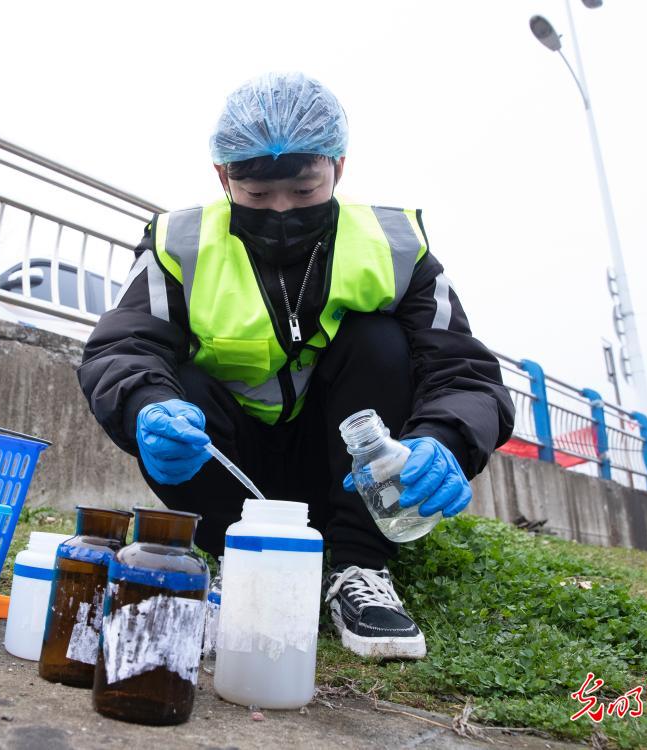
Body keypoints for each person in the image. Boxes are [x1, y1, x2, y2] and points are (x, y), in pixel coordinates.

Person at [78, 72, 514, 660]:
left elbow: (463, 372)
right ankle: (238, 558)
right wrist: (146, 408)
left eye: (304, 192)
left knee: (380, 340)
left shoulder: (395, 246)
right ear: (222, 177)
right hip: (229, 469)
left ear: (337, 165)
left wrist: (446, 439)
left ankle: (359, 568)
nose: (280, 209)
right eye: (257, 198)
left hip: (345, 474)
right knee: (175, 383)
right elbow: (123, 347)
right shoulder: (180, 242)